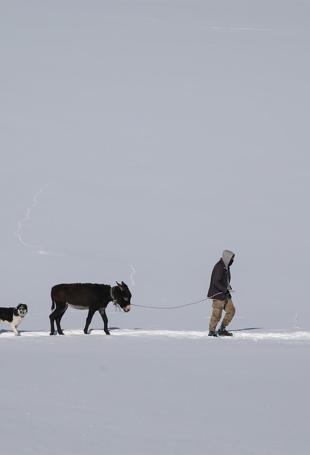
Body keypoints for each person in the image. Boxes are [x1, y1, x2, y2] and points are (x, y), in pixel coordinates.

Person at [207, 250, 236, 337]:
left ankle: (222, 329)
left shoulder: (226, 267)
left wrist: (228, 287)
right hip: (218, 294)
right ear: (227, 258)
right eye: (232, 258)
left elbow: (224, 280)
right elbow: (216, 281)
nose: (233, 260)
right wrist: (224, 289)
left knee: (231, 310)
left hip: (225, 294)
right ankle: (211, 331)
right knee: (217, 314)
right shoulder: (219, 267)